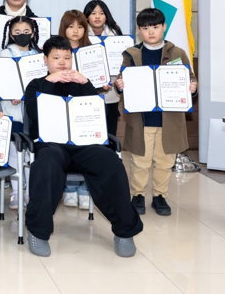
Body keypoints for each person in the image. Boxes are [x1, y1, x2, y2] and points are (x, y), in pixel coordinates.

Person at [23, 36, 143, 257]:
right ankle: (38, 232)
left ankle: (125, 231)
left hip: (84, 145)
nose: (62, 63)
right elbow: (33, 112)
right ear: (45, 60)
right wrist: (50, 81)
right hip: (52, 144)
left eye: (67, 58)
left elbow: (98, 115)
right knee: (46, 165)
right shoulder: (36, 84)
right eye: (56, 58)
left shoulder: (81, 83)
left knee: (111, 162)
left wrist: (86, 82)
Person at [114, 8, 198, 216]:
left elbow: (190, 78)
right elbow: (121, 80)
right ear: (139, 30)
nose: (150, 32)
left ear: (164, 27)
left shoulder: (177, 53)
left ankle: (160, 196)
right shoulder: (131, 54)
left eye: (155, 27)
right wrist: (120, 85)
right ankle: (138, 195)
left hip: (169, 119)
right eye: (145, 28)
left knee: (165, 161)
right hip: (141, 119)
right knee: (139, 161)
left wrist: (192, 87)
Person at [0, 16, 41, 209]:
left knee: (31, 153)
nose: (22, 35)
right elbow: (2, 80)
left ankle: (30, 192)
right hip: (12, 108)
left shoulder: (39, 55)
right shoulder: (5, 54)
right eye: (17, 32)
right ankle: (16, 192)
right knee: (15, 151)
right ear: (10, 34)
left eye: (26, 32)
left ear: (32, 33)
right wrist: (12, 93)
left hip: (32, 110)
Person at [57, 10, 93, 210]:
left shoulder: (93, 52)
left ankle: (86, 189)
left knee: (88, 145)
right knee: (65, 145)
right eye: (71, 26)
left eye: (80, 26)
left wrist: (104, 83)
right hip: (62, 106)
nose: (76, 30)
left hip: (86, 105)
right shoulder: (56, 50)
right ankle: (69, 188)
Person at [84, 0, 123, 136]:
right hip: (88, 89)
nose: (97, 16)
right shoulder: (81, 34)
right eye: (93, 13)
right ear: (86, 16)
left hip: (111, 90)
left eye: (101, 13)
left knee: (110, 130)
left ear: (106, 16)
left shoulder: (116, 34)